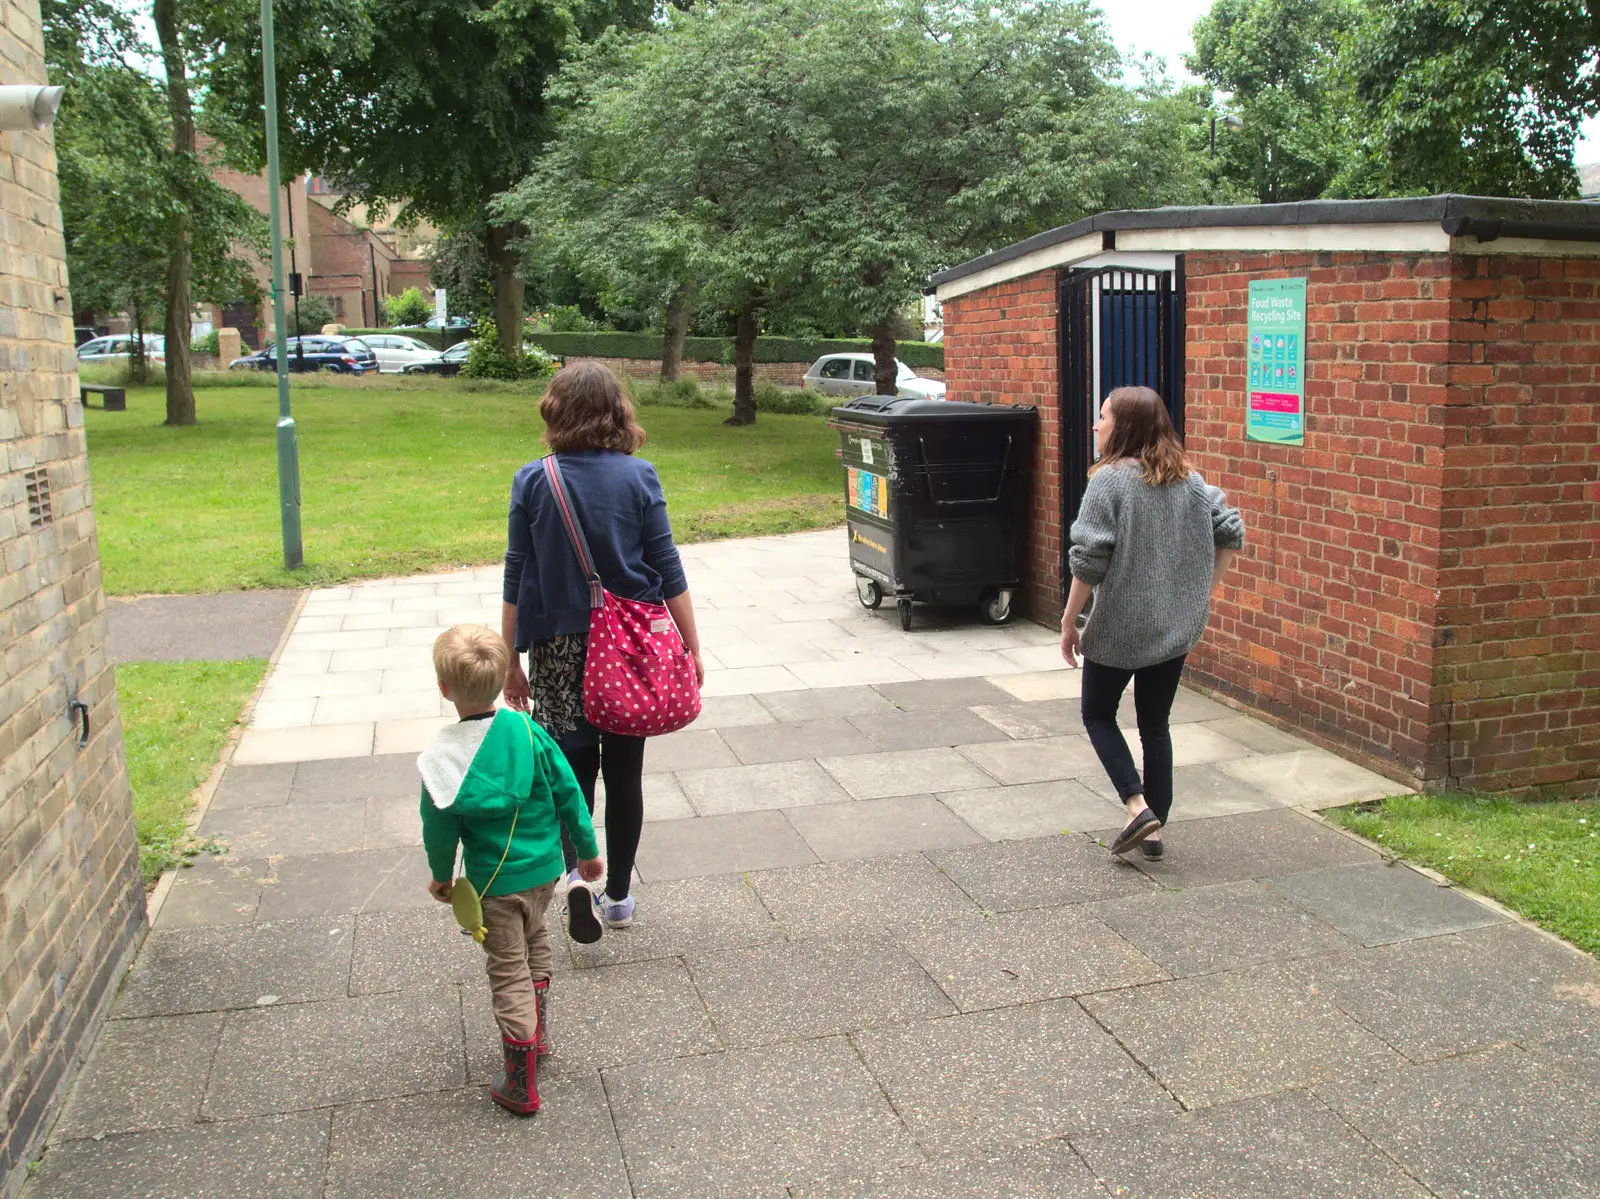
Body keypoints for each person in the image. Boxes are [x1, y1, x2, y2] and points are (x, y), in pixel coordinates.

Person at [501, 362, 705, 943]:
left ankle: (575, 879)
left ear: (555, 409)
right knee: (626, 774)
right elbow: (667, 567)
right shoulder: (639, 477)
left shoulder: (534, 479)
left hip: (560, 650)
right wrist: (690, 645)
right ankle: (617, 896)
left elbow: (517, 572)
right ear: (618, 410)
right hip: (630, 650)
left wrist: (513, 659)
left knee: (569, 775)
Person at [418, 624, 603, 1116]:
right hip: (544, 872)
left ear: (444, 689)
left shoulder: (443, 757)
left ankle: (519, 1084)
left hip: (493, 885)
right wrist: (586, 850)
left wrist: (441, 875)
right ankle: (536, 1037)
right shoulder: (528, 731)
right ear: (502, 681)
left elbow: (438, 826)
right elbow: (568, 791)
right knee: (537, 940)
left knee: (507, 971)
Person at [1059, 386, 1244, 860]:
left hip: (1120, 626)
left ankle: (1137, 805)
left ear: (1124, 426)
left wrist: (1068, 622)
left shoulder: (1109, 481)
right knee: (1154, 726)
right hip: (1175, 628)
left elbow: (1089, 560)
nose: (1096, 425)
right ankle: (1155, 832)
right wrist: (1202, 591)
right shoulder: (1191, 481)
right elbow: (1231, 529)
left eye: (1102, 416)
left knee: (1097, 714)